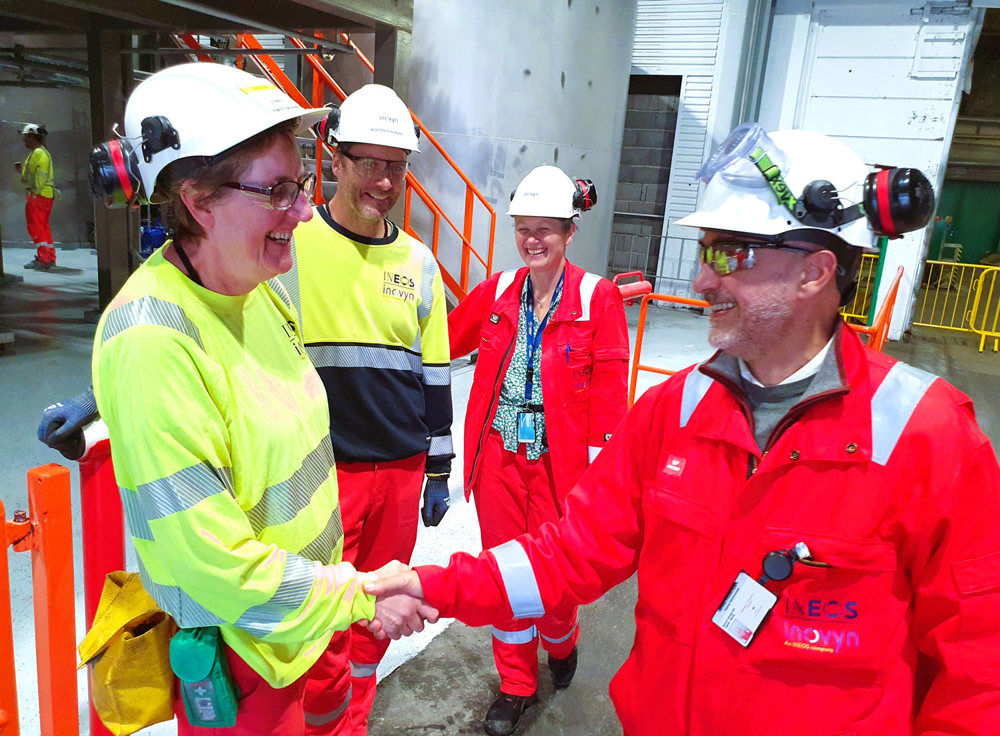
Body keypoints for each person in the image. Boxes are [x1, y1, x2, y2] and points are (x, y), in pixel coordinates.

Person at [365, 125, 1000, 735]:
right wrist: (433, 583)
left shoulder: (929, 439)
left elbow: (979, 676)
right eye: (705, 253)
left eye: (731, 253)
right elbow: (568, 552)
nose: (701, 281)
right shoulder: (674, 414)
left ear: (816, 272)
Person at [87, 62, 435, 735]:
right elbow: (210, 565)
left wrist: (341, 598)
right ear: (195, 200)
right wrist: (361, 594)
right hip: (250, 661)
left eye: (300, 185)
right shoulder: (151, 344)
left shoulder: (259, 289)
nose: (304, 211)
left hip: (311, 622)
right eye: (278, 190)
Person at [276, 83, 454, 735]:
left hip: (402, 471)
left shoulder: (420, 262)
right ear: (336, 160)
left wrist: (439, 467)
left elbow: (435, 373)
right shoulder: (289, 245)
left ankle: (351, 724)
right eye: (370, 162)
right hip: (325, 475)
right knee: (322, 618)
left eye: (396, 165)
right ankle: (321, 725)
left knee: (376, 616)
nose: (383, 180)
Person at [445, 165, 628, 735]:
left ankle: (562, 637)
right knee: (506, 576)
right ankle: (517, 685)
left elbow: (609, 396)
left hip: (560, 464)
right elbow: (441, 342)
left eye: (546, 228)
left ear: (570, 232)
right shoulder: (496, 292)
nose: (532, 240)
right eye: (524, 227)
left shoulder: (598, 300)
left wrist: (601, 480)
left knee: (555, 578)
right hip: (499, 459)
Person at [15, 122, 57, 269]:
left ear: (32, 137)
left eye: (26, 137)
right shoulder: (41, 153)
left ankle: (43, 258)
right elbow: (36, 174)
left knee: (36, 227)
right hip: (44, 195)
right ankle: (50, 256)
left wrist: (34, 193)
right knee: (43, 226)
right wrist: (23, 171)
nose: (24, 140)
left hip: (38, 196)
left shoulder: (38, 154)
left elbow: (39, 177)